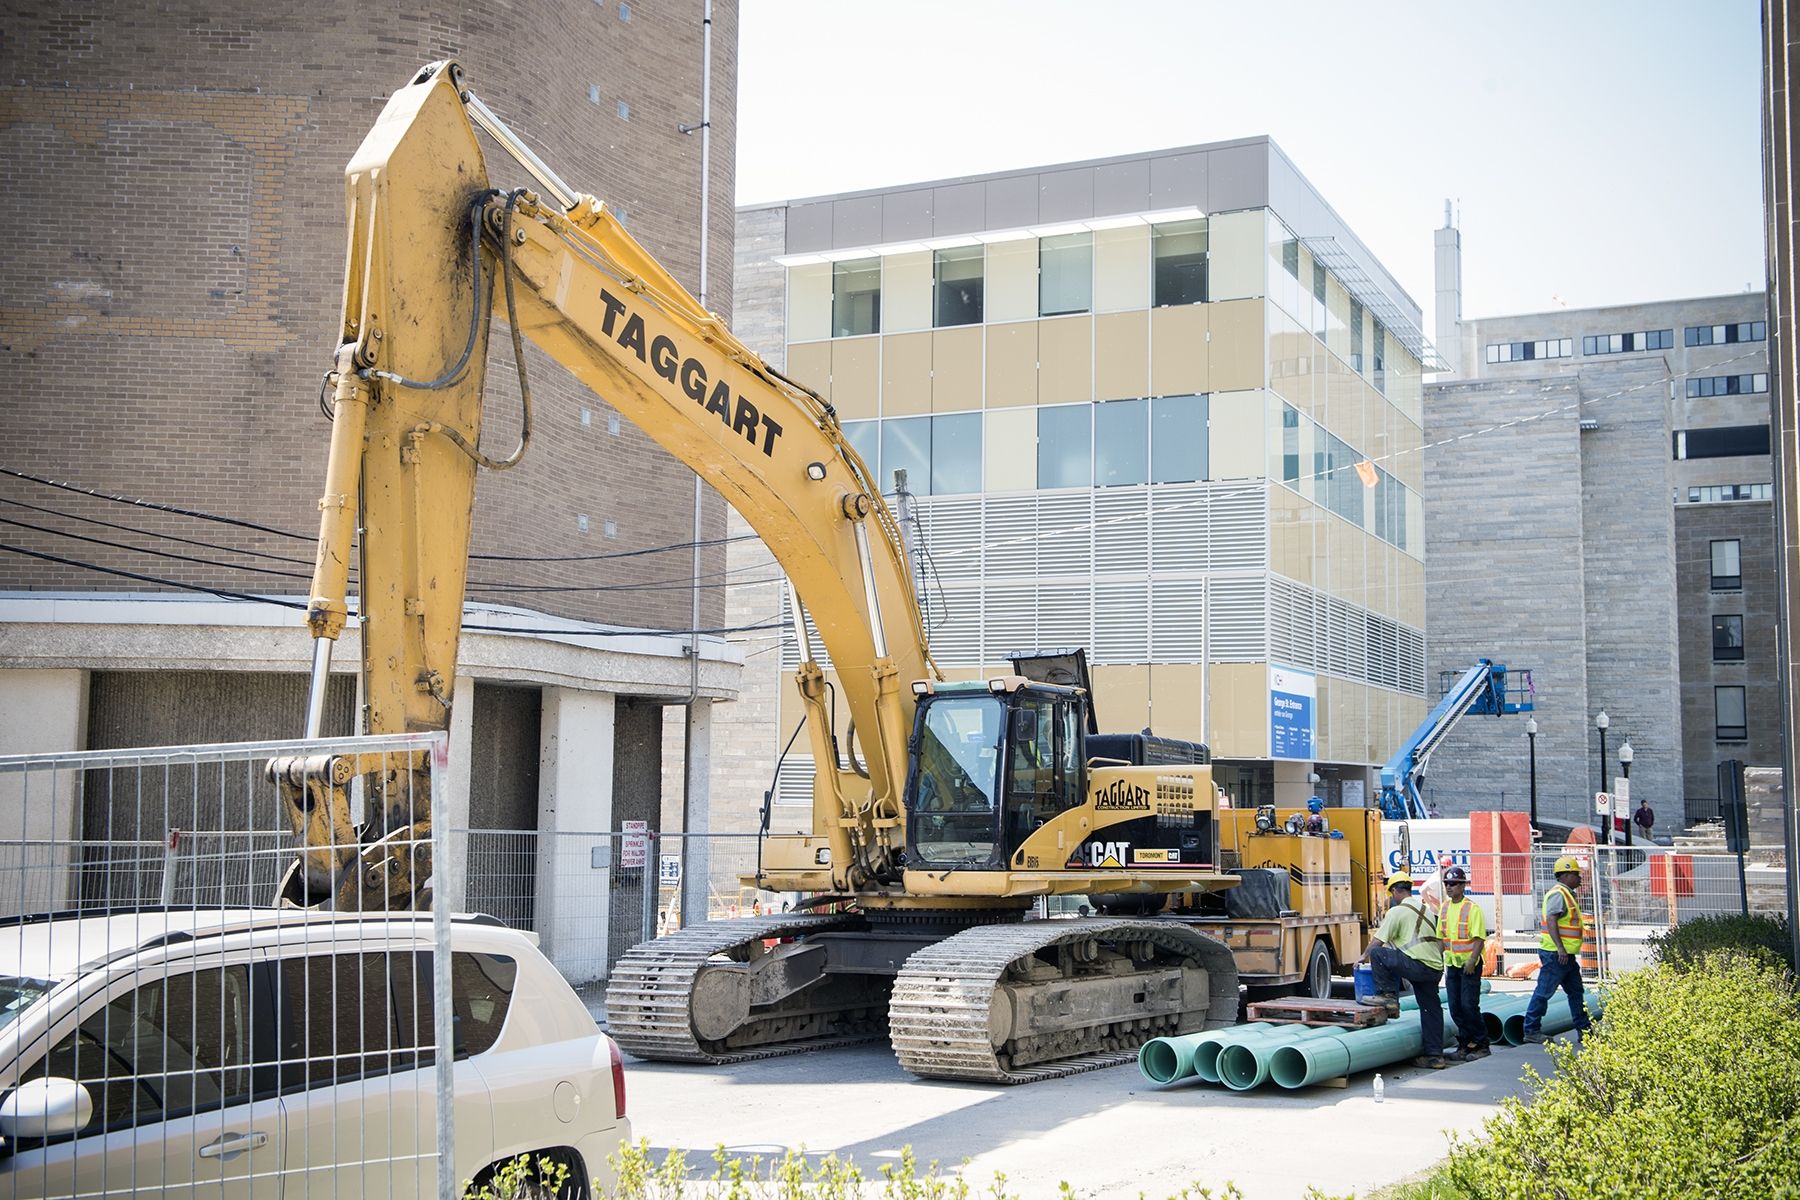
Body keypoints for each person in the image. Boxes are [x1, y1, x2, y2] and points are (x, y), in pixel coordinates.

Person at [1358, 872, 1452, 1069]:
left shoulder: (1397, 912)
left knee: (1378, 954)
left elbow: (1377, 942)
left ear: (1394, 891)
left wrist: (1362, 957)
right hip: (1433, 968)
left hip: (1417, 965)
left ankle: (1388, 996)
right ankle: (1435, 1056)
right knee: (1430, 1010)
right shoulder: (1425, 909)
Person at [1521, 855, 1593, 1044]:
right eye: (1576, 874)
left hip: (1565, 956)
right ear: (1566, 875)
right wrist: (1560, 947)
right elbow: (1552, 920)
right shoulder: (1558, 894)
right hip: (1556, 954)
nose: (1579, 878)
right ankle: (1531, 1029)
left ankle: (1585, 1031)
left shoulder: (1566, 893)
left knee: (1576, 992)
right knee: (1544, 992)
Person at [1437, 865, 1491, 1059]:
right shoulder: (1444, 908)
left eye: (1453, 884)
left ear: (1462, 886)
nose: (1449, 887)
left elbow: (1479, 938)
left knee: (1469, 1005)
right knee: (1455, 1006)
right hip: (1452, 965)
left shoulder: (1471, 909)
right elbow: (1441, 939)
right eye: (1447, 884)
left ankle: (1481, 1043)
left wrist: (1473, 959)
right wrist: (1436, 960)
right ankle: (1465, 1044)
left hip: (1469, 965)